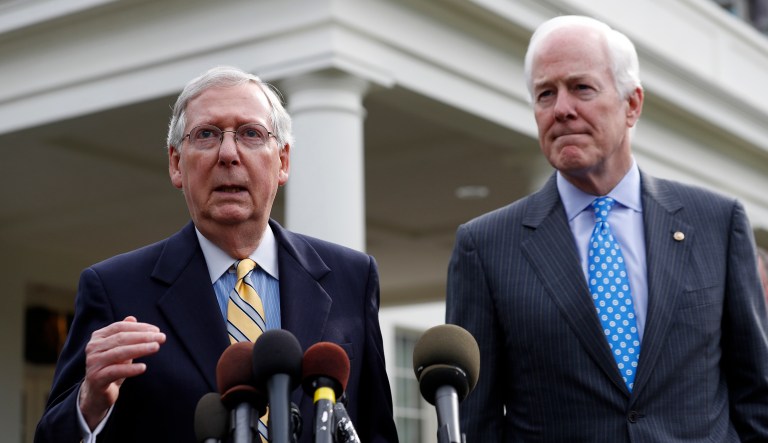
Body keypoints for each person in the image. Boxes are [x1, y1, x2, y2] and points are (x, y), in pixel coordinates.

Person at [446, 15, 768, 442]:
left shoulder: (717, 223)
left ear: (632, 104)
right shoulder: (485, 247)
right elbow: (475, 422)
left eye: (581, 88)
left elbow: (757, 398)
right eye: (545, 93)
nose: (561, 109)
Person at [35, 66, 399, 443]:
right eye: (207, 134)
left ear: (283, 161)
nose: (229, 153)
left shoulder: (351, 278)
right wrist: (89, 402)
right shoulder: (115, 289)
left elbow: (377, 430)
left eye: (251, 134)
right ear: (177, 164)